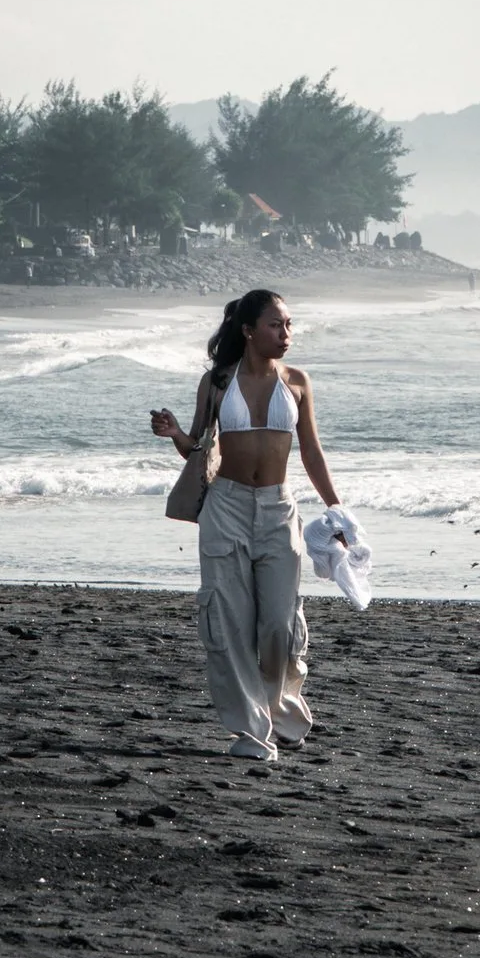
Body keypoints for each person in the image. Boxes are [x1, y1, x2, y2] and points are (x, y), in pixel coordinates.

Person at [150, 288, 343, 766]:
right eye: (276, 325)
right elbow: (199, 447)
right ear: (249, 330)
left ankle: (280, 708)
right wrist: (176, 434)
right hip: (226, 508)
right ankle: (251, 733)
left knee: (279, 623)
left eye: (289, 325)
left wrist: (337, 510)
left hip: (279, 509)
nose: (286, 334)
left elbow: (312, 452)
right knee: (230, 623)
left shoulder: (297, 381)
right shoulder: (217, 382)